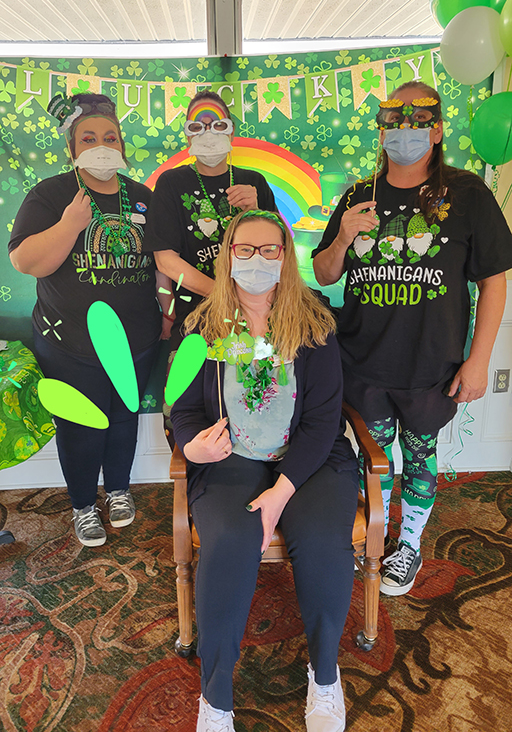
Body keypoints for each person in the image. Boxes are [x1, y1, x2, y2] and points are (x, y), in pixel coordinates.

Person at [312, 81, 512, 596]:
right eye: (394, 123)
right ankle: (370, 534)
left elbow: (493, 280)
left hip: (432, 365)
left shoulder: (467, 194)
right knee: (370, 456)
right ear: (381, 132)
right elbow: (325, 272)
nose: (405, 132)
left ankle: (410, 544)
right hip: (364, 361)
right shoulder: (359, 194)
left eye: (417, 122)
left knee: (420, 453)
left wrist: (479, 360)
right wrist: (342, 236)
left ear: (437, 129)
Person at [171, 209, 358, 732]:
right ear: (228, 256)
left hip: (310, 464)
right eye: (245, 250)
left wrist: (281, 492)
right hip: (231, 462)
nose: (256, 260)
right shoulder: (202, 327)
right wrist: (193, 448)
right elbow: (183, 412)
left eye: (269, 250)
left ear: (285, 258)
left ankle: (324, 677)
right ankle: (216, 699)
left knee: (323, 540)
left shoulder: (315, 326)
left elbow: (323, 423)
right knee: (229, 541)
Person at [9, 92, 169, 548]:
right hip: (69, 343)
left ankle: (118, 490)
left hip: (134, 340)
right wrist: (69, 224)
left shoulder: (142, 197)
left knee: (123, 418)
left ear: (122, 143)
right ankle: (83, 503)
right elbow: (26, 262)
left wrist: (166, 310)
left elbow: (160, 263)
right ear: (72, 147)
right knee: (80, 425)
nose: (102, 144)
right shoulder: (51, 194)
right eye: (89, 137)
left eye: (110, 136)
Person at [144, 90, 277, 353]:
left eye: (218, 125)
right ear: (187, 135)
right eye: (197, 126)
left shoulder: (255, 182)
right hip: (196, 318)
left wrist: (255, 211)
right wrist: (225, 296)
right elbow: (166, 261)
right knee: (191, 393)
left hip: (257, 317)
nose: (209, 133)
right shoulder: (171, 183)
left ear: (231, 131)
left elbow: (278, 253)